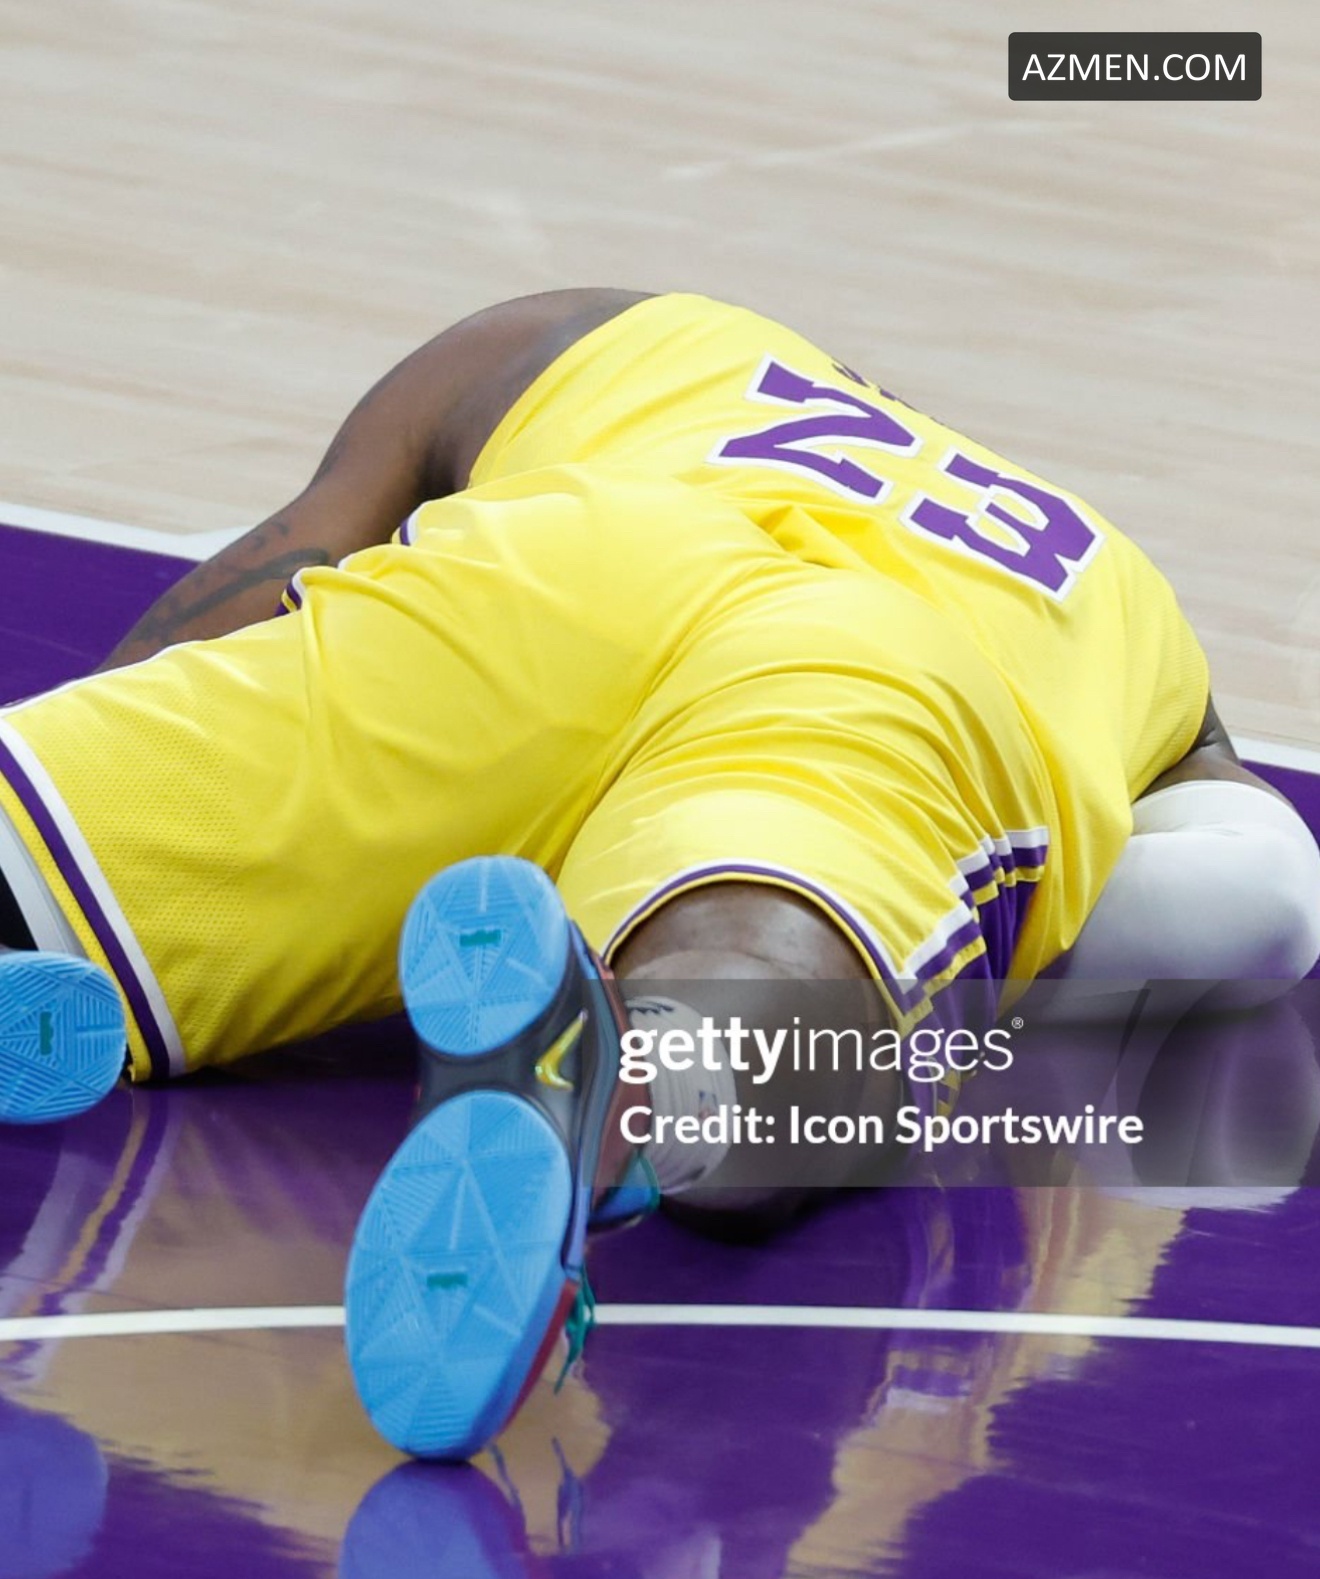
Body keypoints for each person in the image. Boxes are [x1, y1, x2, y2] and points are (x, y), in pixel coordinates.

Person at [0, 290, 1317, 1460]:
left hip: (571, 561)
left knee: (63, 841)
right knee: (753, 974)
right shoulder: (1115, 585)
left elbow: (276, 570)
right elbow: (1254, 891)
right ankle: (627, 1088)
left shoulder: (593, 331)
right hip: (888, 665)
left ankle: (43, 914)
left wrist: (108, 787)